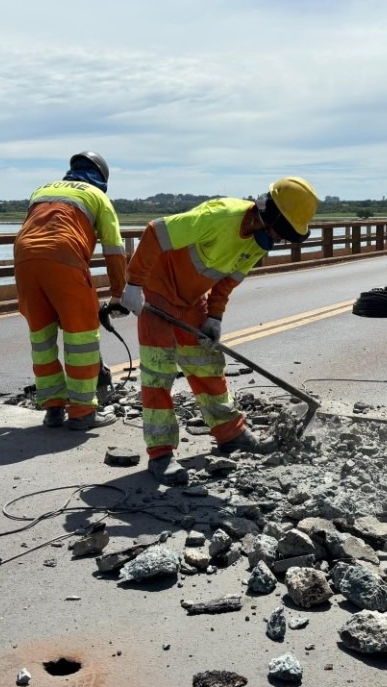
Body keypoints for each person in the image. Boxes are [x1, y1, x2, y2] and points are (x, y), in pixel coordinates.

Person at [116, 177, 319, 485]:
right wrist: (134, 284)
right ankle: (160, 454)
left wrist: (215, 317)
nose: (279, 239)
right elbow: (156, 231)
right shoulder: (220, 216)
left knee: (208, 365)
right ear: (271, 214)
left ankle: (231, 435)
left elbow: (226, 281)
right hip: (157, 290)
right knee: (159, 372)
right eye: (282, 231)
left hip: (190, 299)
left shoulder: (256, 243)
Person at [14, 151, 128, 430]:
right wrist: (119, 294)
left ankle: (53, 408)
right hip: (64, 257)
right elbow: (113, 249)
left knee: (41, 338)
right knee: (81, 339)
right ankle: (82, 412)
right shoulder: (97, 196)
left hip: (24, 258)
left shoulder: (42, 190)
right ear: (102, 177)